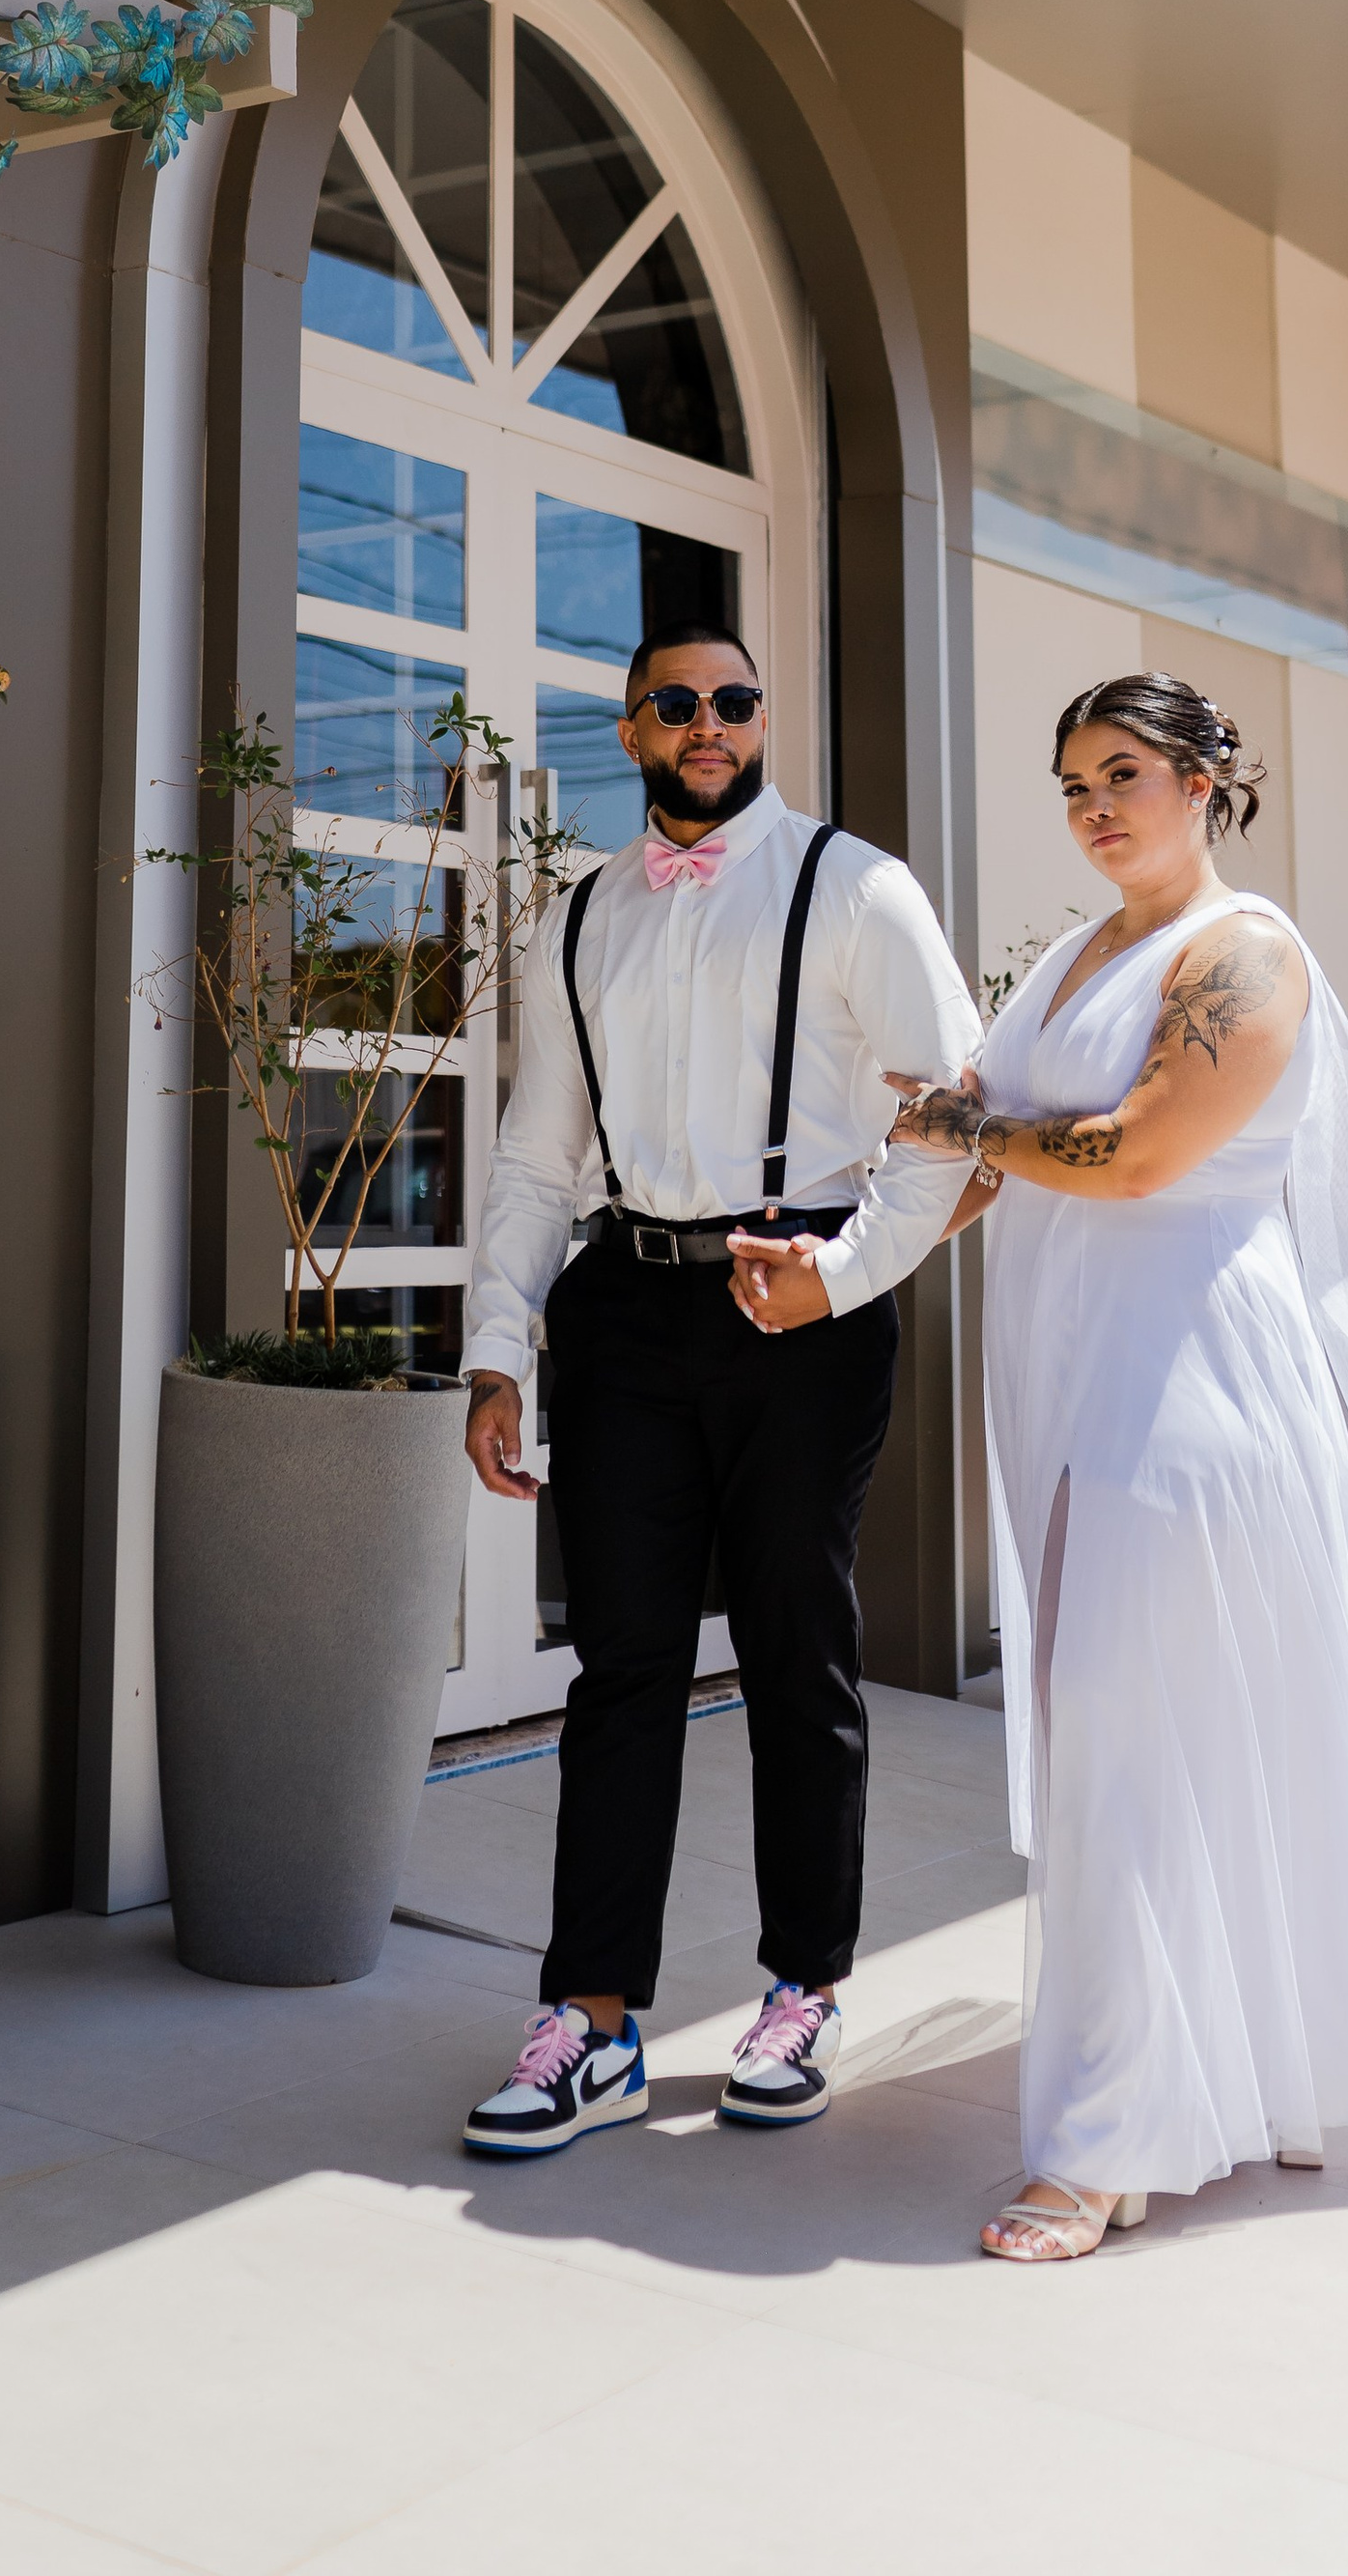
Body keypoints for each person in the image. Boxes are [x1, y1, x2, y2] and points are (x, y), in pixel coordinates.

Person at [890, 671, 1348, 2259]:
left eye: (1126, 774)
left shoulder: (1245, 953)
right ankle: (1257, 2073)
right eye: (1072, 781)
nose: (1096, 806)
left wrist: (967, 1125)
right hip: (1079, 1376)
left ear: (1209, 778)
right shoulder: (1077, 957)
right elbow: (1001, 1153)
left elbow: (1141, 1150)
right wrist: (834, 1261)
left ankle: (1113, 2139)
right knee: (1162, 1729)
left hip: (1188, 1388)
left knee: (1126, 1741)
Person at [456, 628, 980, 2158]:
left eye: (736, 700)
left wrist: (847, 1266)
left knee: (794, 1648)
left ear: (762, 719)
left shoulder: (855, 885)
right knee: (618, 1669)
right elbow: (538, 1154)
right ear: (631, 728)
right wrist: (501, 1343)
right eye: (677, 703)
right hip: (624, 1303)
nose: (710, 723)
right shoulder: (577, 920)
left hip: (801, 1298)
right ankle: (592, 2023)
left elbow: (951, 1114)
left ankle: (801, 1987)